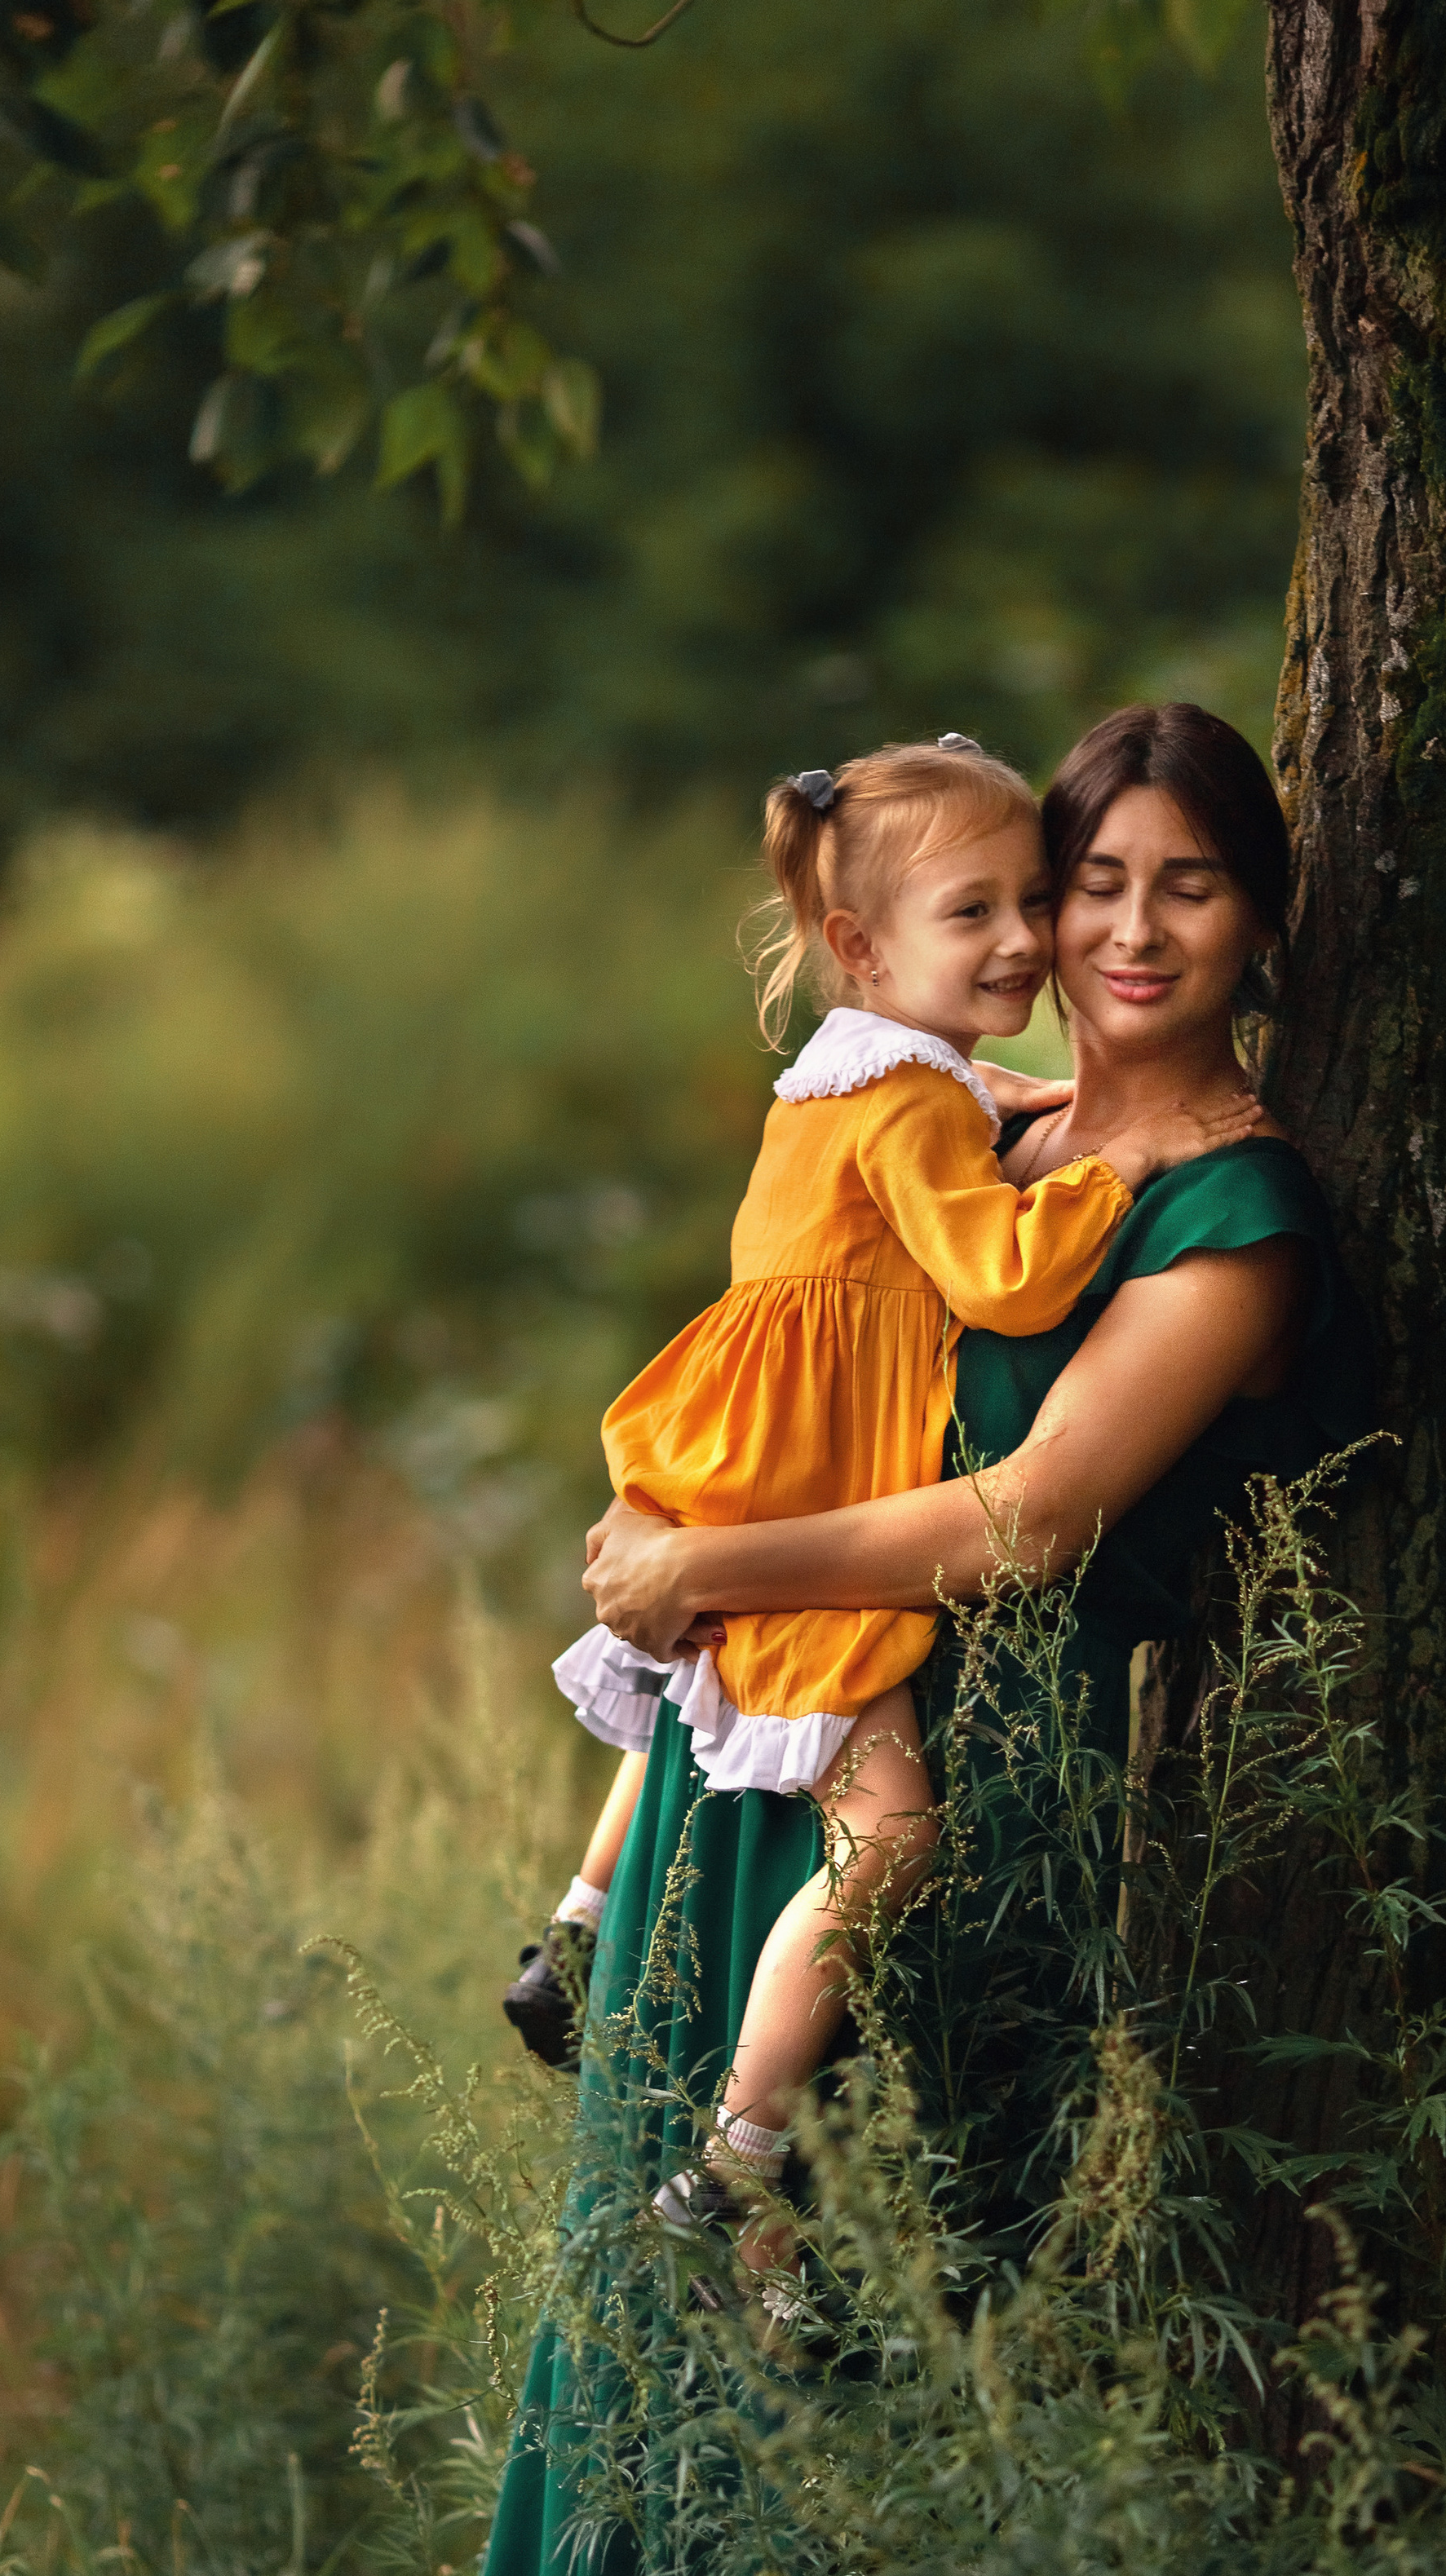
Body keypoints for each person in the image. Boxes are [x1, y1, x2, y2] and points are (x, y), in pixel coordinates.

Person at [396, 701, 1376, 2576]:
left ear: (1263, 920)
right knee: (650, 2351)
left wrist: (697, 1560)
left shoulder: (1229, 1210)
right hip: (777, 1770)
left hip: (982, 1838)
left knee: (872, 2351)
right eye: (1084, 881)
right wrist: (711, 1589)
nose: (1117, 932)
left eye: (1184, 888)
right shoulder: (972, 1119)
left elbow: (1030, 1526)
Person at [542, 732, 1201, 2236]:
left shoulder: (857, 1073)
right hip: (813, 1481)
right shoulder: (910, 1102)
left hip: (739, 1461)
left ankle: (576, 1929)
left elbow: (981, 1100)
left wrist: (1052, 1112)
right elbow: (1006, 1280)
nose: (1029, 940)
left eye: (1034, 901)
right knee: (888, 1834)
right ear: (859, 945)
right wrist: (1128, 1159)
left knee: (688, 1701)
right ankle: (738, 2157)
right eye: (974, 914)